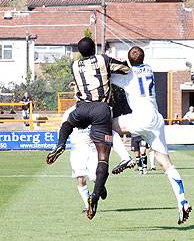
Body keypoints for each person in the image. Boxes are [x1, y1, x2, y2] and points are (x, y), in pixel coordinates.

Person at [46, 37, 134, 220]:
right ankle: (94, 196)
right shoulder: (103, 59)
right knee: (103, 158)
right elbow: (125, 69)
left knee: (68, 123)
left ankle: (60, 144)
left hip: (82, 107)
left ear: (80, 52)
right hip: (101, 110)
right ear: (94, 49)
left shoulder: (74, 65)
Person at [111, 46, 192, 225]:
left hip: (141, 118)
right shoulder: (148, 69)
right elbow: (135, 62)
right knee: (167, 164)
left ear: (129, 60)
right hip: (156, 119)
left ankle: (125, 158)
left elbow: (108, 75)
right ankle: (182, 201)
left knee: (106, 125)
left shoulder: (128, 75)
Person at [63, 105, 133, 212]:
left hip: (93, 149)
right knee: (80, 179)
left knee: (96, 177)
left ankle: (100, 187)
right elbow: (65, 128)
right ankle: (88, 206)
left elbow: (107, 131)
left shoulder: (98, 109)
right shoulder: (69, 112)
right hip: (78, 150)